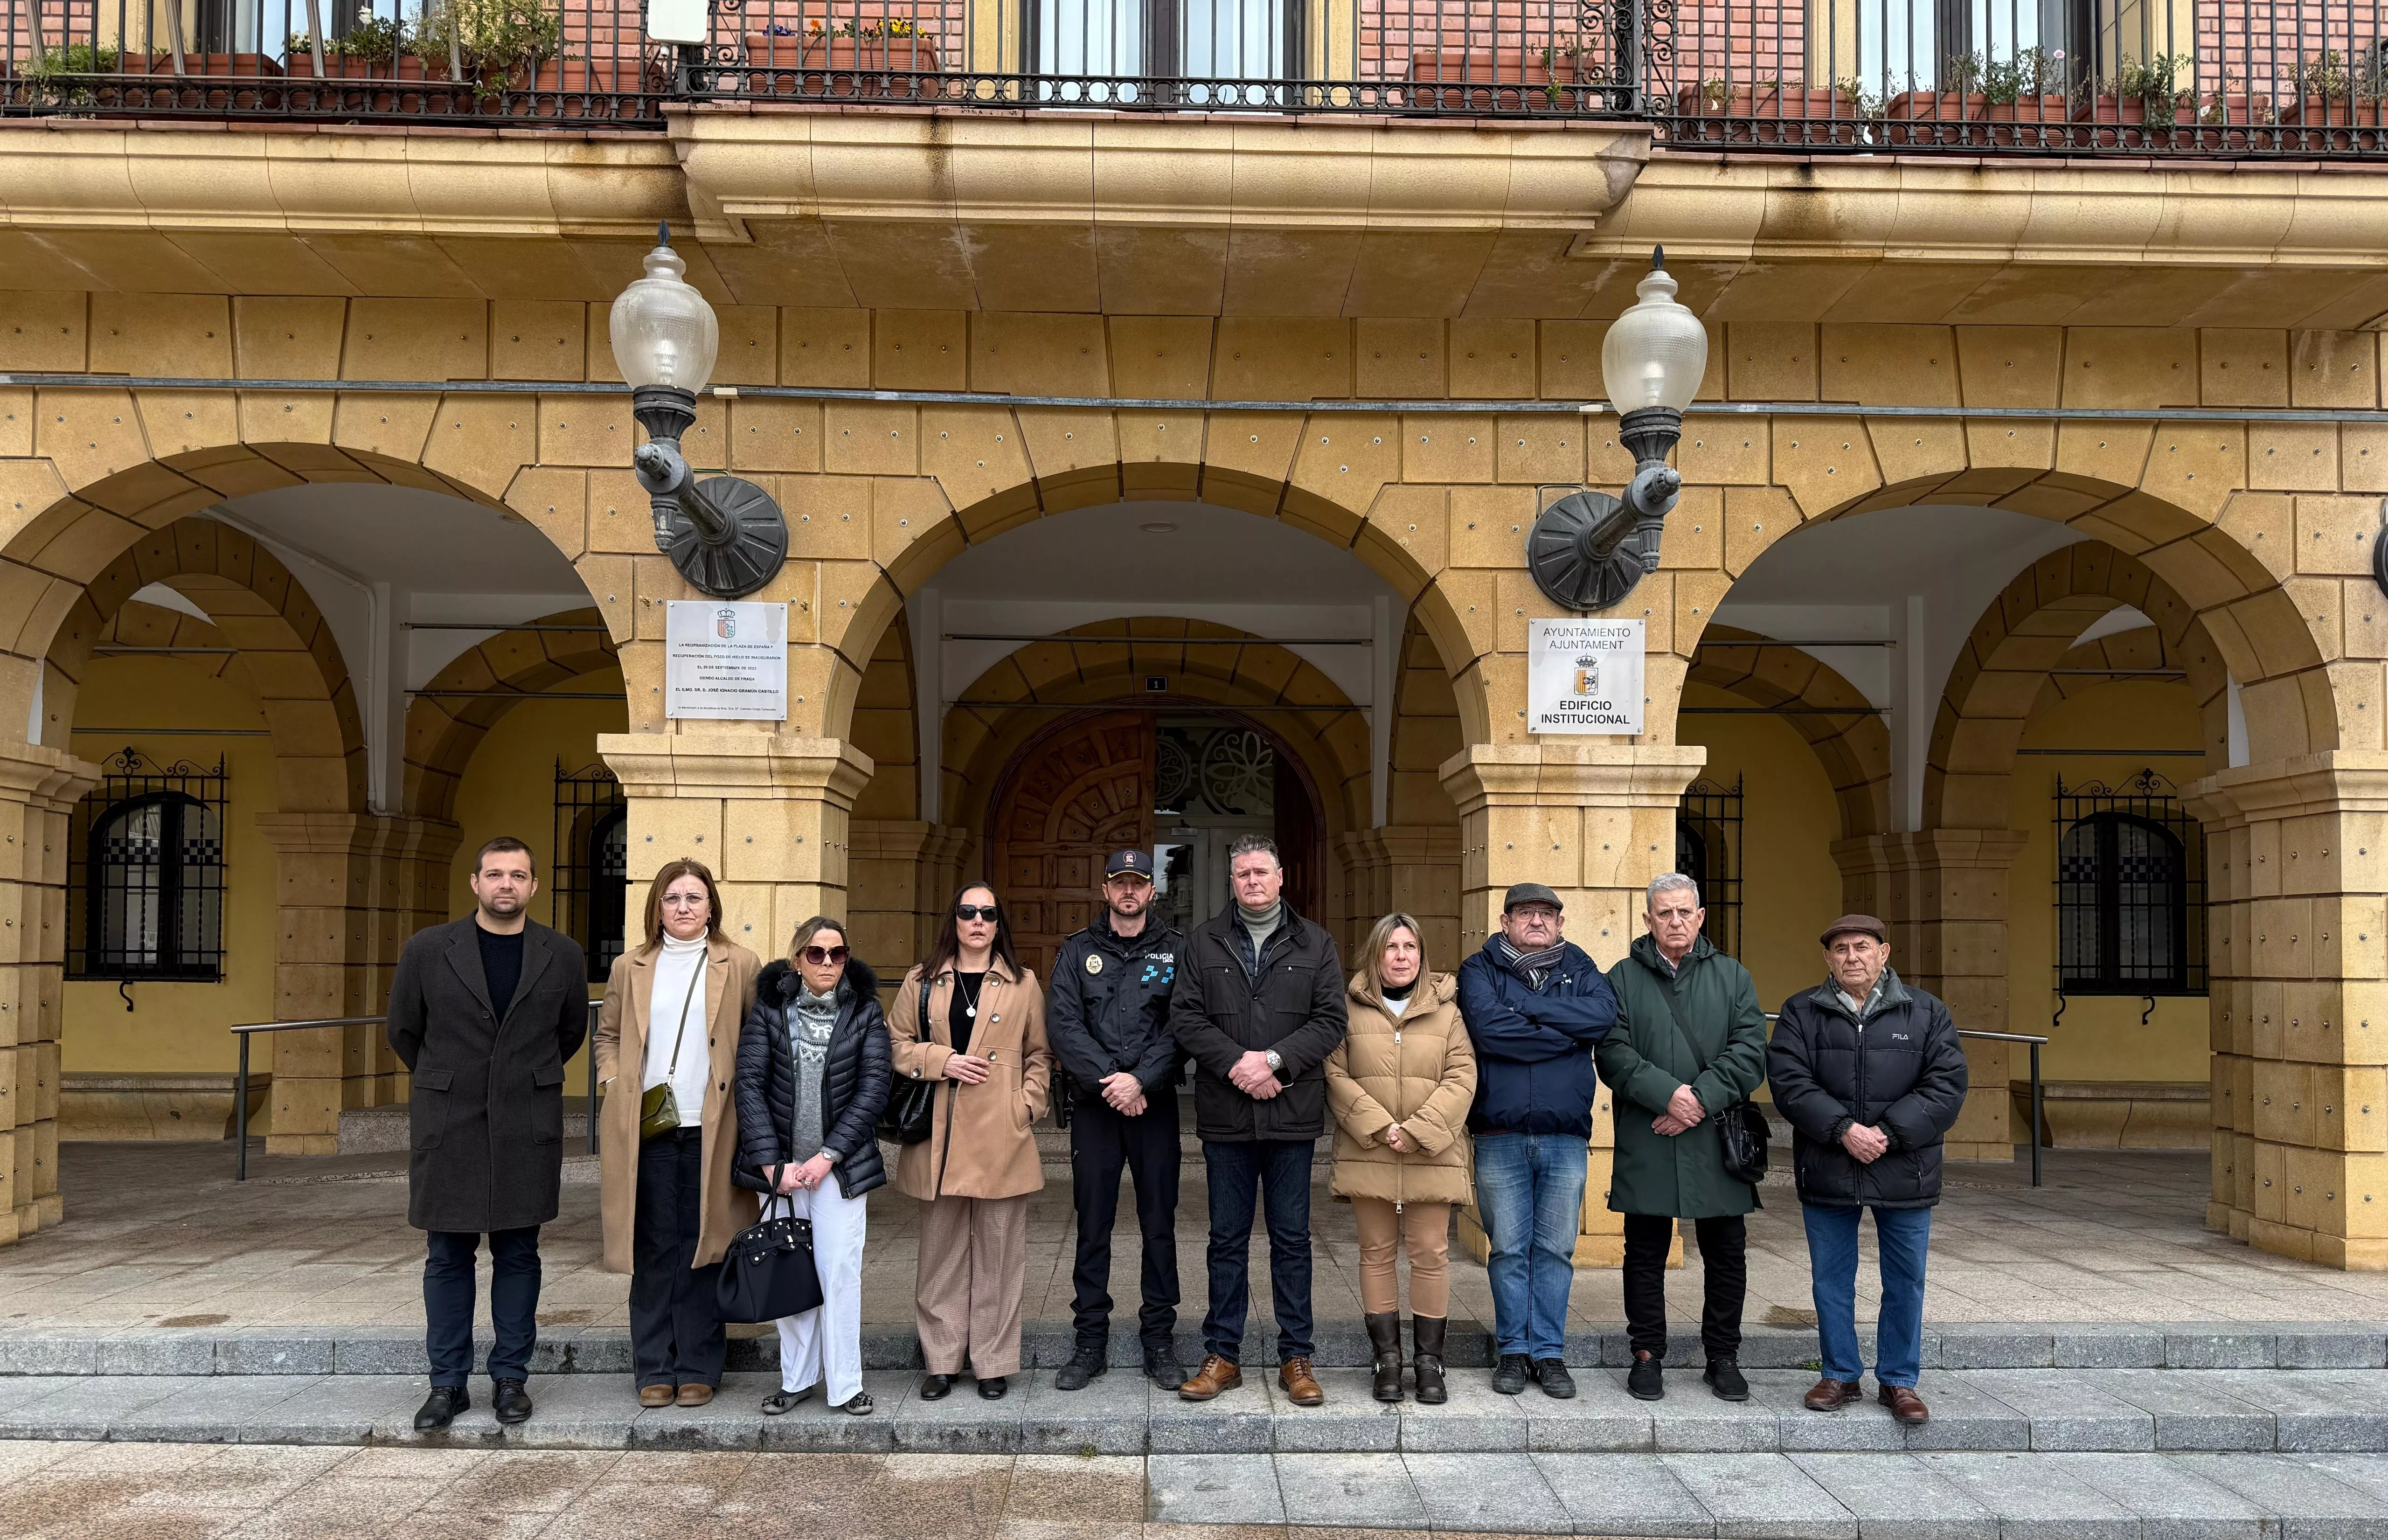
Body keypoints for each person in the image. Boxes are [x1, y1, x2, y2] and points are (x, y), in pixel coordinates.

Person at [386, 836, 589, 1431]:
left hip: (526, 1120)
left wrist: (518, 1078)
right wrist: (448, 1079)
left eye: (518, 875)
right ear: (475, 882)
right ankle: (446, 1384)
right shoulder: (427, 949)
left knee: (519, 1251)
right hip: (449, 1122)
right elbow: (404, 1029)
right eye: (495, 874)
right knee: (447, 1253)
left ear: (533, 886)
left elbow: (570, 1031)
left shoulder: (563, 953)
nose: (506, 884)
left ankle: (510, 1378)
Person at [1769, 914, 1970, 1428]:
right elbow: (1789, 1082)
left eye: (1862, 946)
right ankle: (1838, 1372)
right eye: (1839, 948)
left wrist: (1886, 1132)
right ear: (1827, 958)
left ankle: (1899, 1380)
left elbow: (1945, 1085)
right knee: (1830, 1279)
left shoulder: (1925, 1011)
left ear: (1884, 952)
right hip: (1829, 1161)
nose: (1851, 956)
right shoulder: (1800, 1011)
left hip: (1905, 1164)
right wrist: (1842, 1129)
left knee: (1904, 1279)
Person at [1169, 833, 1347, 1408]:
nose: (1251, 880)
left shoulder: (1315, 943)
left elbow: (1329, 1020)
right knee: (1226, 1239)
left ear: (1278, 878)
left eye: (1260, 871)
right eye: (1241, 872)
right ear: (1232, 881)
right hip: (1226, 1114)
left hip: (1291, 1110)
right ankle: (1222, 1354)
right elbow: (1186, 1018)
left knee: (1292, 1240)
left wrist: (1272, 1060)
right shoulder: (1203, 942)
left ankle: (1296, 1356)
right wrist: (1237, 1064)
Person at [593, 858, 763, 1409]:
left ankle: (698, 1365)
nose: (684, 906)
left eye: (694, 896)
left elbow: (757, 1040)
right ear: (657, 906)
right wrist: (614, 1080)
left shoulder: (739, 963)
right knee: (652, 1246)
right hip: (646, 1127)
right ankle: (653, 1366)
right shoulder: (631, 965)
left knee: (705, 1244)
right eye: (672, 897)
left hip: (714, 1126)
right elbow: (609, 1035)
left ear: (711, 905)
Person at [1597, 874, 1768, 1404]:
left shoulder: (1732, 976)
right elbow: (1612, 1050)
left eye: (1684, 912)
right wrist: (1668, 1095)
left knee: (1726, 1252)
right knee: (1643, 1252)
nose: (1674, 921)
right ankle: (1646, 1354)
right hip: (1649, 1131)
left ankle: (1722, 1355)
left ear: (1699, 916)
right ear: (1647, 920)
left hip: (1713, 1135)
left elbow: (1749, 1051)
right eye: (1663, 913)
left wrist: (1696, 1101)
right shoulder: (1621, 978)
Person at [889, 884, 1052, 1401]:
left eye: (987, 913)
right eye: (967, 912)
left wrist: (1025, 1105)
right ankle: (940, 1359)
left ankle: (993, 1361)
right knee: (940, 1255)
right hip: (939, 1135)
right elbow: (893, 1043)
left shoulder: (1023, 982)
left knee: (1000, 1256)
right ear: (954, 920)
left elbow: (1040, 1055)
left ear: (998, 922)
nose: (977, 921)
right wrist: (940, 1060)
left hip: (1001, 1135)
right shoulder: (921, 979)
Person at [1456, 881, 1617, 1399]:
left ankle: (1548, 1353)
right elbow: (1487, 1029)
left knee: (1553, 1249)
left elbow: (1599, 1018)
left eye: (1546, 914)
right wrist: (1560, 1027)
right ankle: (1512, 1350)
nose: (1536, 921)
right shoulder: (1478, 969)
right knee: (1506, 1248)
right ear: (1504, 922)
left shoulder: (1581, 966)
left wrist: (1525, 1010)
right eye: (1524, 913)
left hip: (1564, 1134)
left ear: (1560, 923)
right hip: (1499, 1132)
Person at [736, 916, 891, 1417]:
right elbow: (749, 1085)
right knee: (790, 1274)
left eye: (838, 953)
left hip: (840, 1168)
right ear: (797, 957)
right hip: (779, 1171)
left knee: (839, 1272)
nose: (828, 962)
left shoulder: (866, 1011)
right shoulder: (768, 1011)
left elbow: (873, 1090)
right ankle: (796, 1378)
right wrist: (770, 1162)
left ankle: (846, 1384)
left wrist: (827, 1156)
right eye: (817, 953)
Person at [1044, 849, 1187, 1391]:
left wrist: (1140, 1080)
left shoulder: (1176, 951)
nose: (1128, 892)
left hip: (1154, 1107)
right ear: (1105, 891)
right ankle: (1089, 1343)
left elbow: (1183, 1023)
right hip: (1096, 1108)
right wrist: (1112, 1079)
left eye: (1138, 883)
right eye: (1119, 883)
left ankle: (1159, 1341)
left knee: (1159, 1225)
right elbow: (1063, 1024)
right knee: (1093, 1224)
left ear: (1152, 891)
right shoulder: (1077, 951)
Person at [1325, 912, 1477, 1405]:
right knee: (1375, 1253)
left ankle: (1429, 1361)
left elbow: (1462, 1077)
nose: (1400, 956)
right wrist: (1379, 1126)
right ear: (1375, 953)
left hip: (1429, 1152)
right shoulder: (1347, 1009)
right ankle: (1386, 1359)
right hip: (1369, 1150)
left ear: (1421, 954)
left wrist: (1415, 1131)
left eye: (1410, 946)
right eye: (1391, 947)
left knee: (1430, 1253)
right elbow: (1335, 1074)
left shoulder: (1447, 1012)